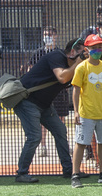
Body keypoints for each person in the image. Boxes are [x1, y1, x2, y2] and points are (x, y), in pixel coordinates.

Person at [11, 36, 86, 182]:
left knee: (60, 131)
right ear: (72, 52)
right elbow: (62, 77)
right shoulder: (56, 56)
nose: (84, 58)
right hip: (27, 101)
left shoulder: (75, 67)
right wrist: (78, 62)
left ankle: (69, 170)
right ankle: (21, 173)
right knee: (35, 136)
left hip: (44, 105)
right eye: (83, 53)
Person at [69, 34, 102, 187]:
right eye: (94, 48)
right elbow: (76, 89)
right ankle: (75, 174)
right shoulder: (81, 67)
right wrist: (76, 111)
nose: (98, 50)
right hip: (86, 113)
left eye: (99, 47)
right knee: (80, 143)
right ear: (87, 49)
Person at [18, 25, 70, 160]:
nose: (48, 37)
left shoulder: (60, 53)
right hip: (40, 93)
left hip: (58, 92)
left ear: (56, 36)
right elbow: (30, 70)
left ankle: (63, 147)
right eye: (46, 34)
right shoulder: (38, 53)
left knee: (60, 119)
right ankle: (43, 146)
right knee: (40, 121)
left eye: (51, 34)